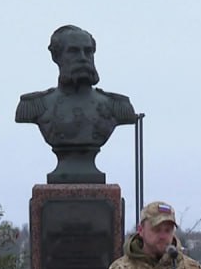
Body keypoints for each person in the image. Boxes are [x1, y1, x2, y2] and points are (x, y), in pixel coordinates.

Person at [15, 25, 138, 182]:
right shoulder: (34, 105)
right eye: (73, 51)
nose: (83, 57)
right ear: (56, 56)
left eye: (88, 51)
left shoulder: (118, 106)